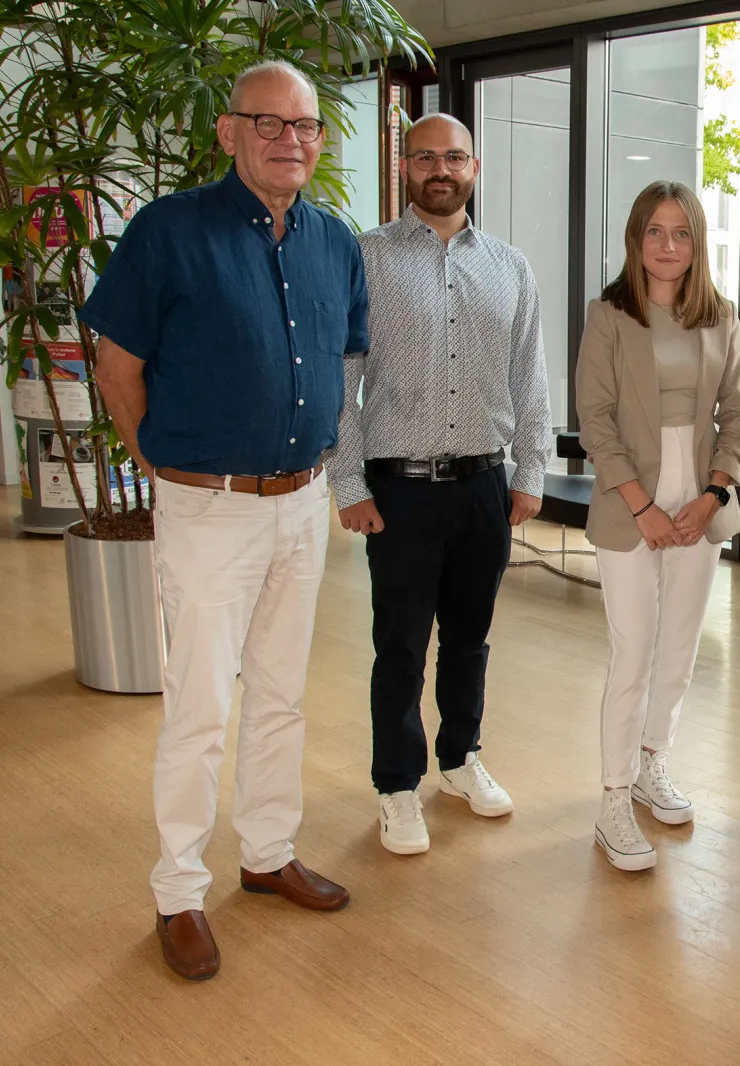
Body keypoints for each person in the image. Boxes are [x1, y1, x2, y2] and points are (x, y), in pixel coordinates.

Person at [82, 60, 367, 981]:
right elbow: (115, 366)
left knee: (281, 695)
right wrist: (154, 463)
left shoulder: (334, 240)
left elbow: (344, 358)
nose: (292, 141)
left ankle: (267, 853)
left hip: (300, 506)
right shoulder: (167, 233)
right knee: (201, 709)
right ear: (229, 131)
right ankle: (177, 891)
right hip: (207, 507)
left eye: (307, 126)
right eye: (270, 123)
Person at [325, 113, 551, 856]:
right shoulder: (367, 258)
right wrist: (348, 484)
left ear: (474, 168)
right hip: (399, 491)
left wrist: (530, 471)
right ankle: (397, 783)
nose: (440, 168)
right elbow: (342, 383)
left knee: (470, 639)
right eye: (426, 157)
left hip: (484, 484)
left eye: (454, 156)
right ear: (405, 168)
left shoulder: (512, 267)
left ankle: (460, 759)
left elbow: (530, 378)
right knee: (399, 644)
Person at [574, 181, 740, 871]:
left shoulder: (722, 315)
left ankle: (653, 764)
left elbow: (738, 416)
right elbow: (596, 418)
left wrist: (711, 496)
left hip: (700, 499)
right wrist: (643, 505)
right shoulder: (610, 314)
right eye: (656, 231)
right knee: (635, 649)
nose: (669, 245)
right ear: (636, 238)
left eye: (682, 232)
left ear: (697, 241)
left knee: (679, 647)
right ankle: (613, 797)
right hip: (630, 501)